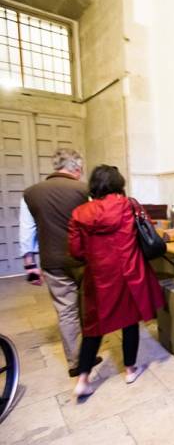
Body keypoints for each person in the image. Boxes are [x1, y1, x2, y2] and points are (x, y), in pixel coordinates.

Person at [68, 165, 165, 397]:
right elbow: (148, 230)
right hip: (129, 274)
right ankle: (130, 370)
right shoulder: (129, 205)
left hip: (99, 278)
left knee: (93, 328)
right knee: (130, 322)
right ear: (118, 183)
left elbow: (76, 251)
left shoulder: (80, 213)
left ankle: (83, 379)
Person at [21, 148, 101, 377]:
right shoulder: (83, 190)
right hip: (83, 259)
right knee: (88, 307)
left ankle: (75, 361)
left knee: (66, 311)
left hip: (52, 261)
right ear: (76, 168)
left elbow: (27, 231)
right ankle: (87, 356)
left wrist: (30, 265)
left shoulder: (30, 193)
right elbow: (94, 223)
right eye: (81, 170)